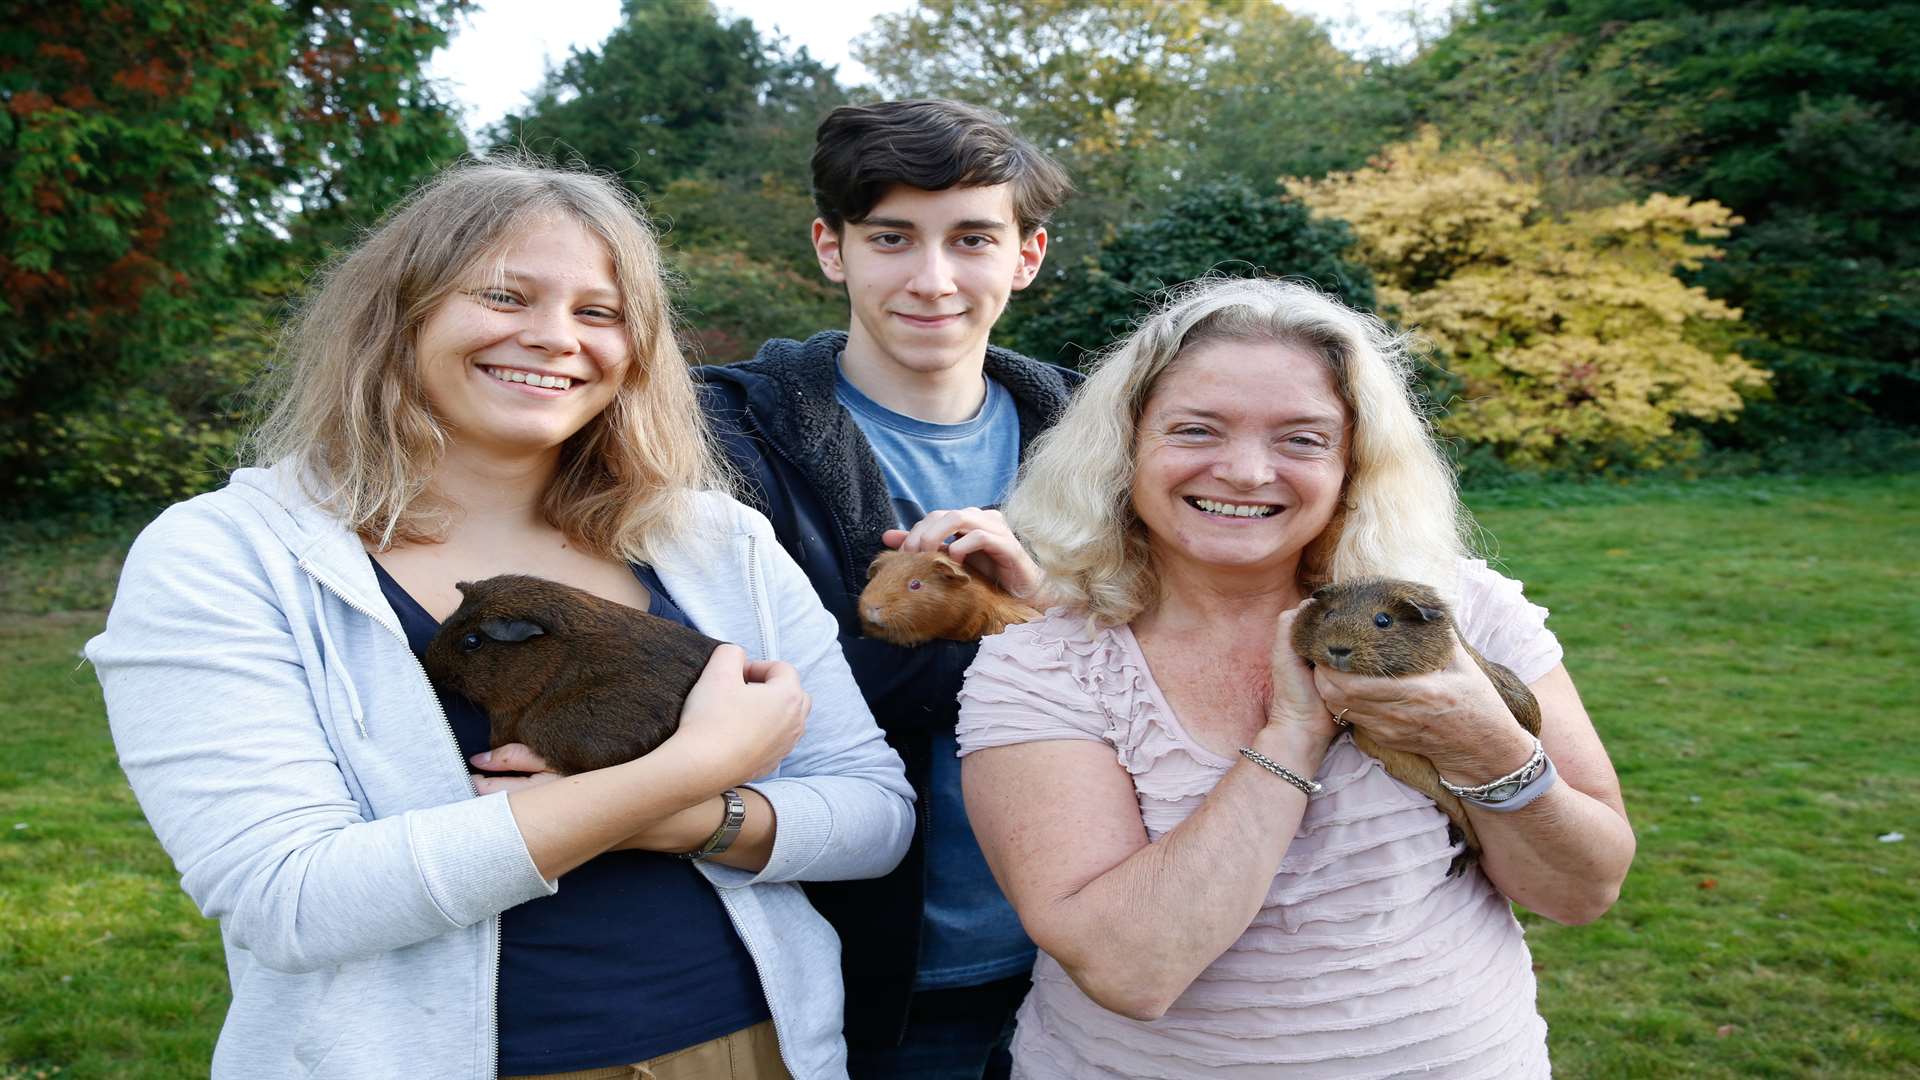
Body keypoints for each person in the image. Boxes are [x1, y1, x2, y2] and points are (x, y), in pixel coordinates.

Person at [84, 159, 915, 1080]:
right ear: (401, 314)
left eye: (598, 313)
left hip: (747, 1049)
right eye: (503, 295)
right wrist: (686, 771)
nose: (555, 338)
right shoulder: (228, 557)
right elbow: (292, 899)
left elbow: (873, 816)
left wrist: (684, 817)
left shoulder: (713, 540)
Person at [956, 277, 1635, 1077]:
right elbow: (1130, 970)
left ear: (1354, 462)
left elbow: (1581, 892)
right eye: (1197, 430)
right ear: (1125, 446)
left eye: (1302, 438)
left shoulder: (1456, 610)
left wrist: (1489, 751)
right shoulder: (1047, 658)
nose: (1245, 472)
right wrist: (1292, 735)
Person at [695, 99, 1077, 1079]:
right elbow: (743, 695)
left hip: (1084, 964)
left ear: (1027, 255)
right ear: (833, 247)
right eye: (892, 238)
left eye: (973, 240)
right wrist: (1004, 631)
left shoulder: (1103, 446)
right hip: (855, 969)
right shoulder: (722, 441)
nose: (933, 278)